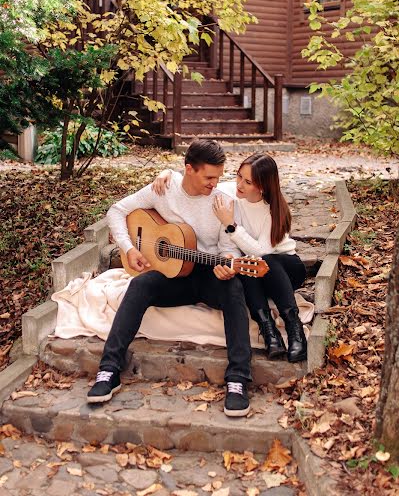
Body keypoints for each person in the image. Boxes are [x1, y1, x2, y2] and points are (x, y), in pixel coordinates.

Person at [87, 139, 253, 417]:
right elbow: (116, 211)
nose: (215, 183)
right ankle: (109, 370)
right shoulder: (164, 189)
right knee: (140, 284)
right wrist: (128, 249)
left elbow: (226, 248)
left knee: (234, 287)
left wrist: (228, 264)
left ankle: (238, 379)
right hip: (174, 274)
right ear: (189, 169)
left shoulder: (222, 201)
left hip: (209, 272)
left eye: (219, 177)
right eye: (209, 177)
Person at [153, 153, 307, 363]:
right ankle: (269, 332)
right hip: (256, 270)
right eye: (238, 176)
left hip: (285, 270)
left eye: (248, 181)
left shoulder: (272, 210)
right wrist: (167, 173)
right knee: (244, 267)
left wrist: (230, 226)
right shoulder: (232, 193)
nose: (239, 184)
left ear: (262, 186)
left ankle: (294, 327)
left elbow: (262, 251)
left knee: (264, 260)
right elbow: (194, 177)